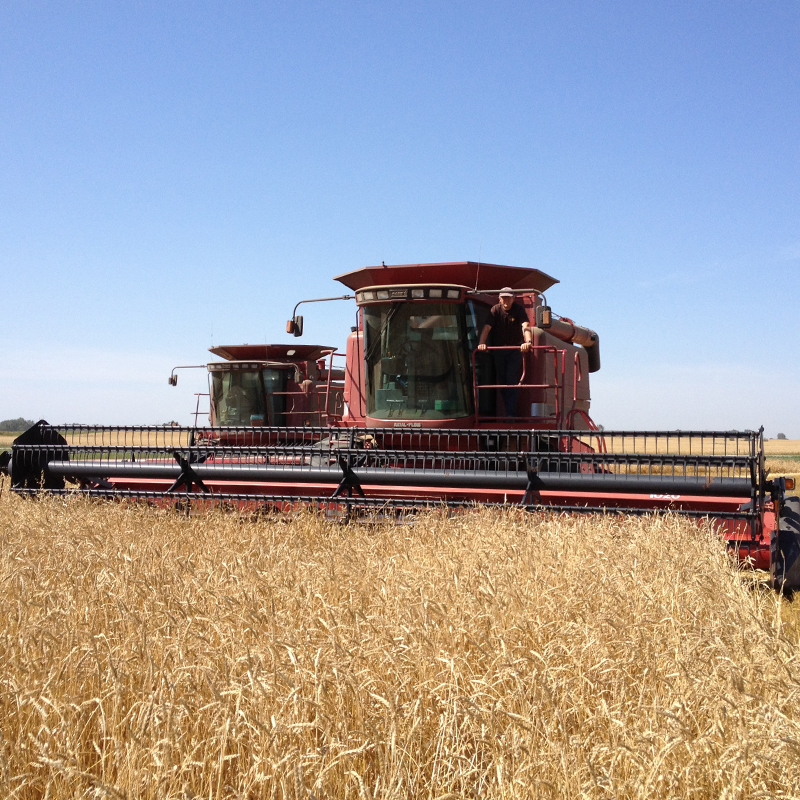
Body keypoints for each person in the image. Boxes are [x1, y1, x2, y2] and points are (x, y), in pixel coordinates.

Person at [477, 288, 532, 416]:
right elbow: (487, 328)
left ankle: (510, 415)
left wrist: (528, 342)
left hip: (514, 351)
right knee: (502, 382)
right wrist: (481, 343)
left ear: (513, 298)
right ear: (500, 299)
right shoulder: (495, 310)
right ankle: (509, 412)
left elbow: (525, 325)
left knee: (511, 380)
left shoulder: (518, 310)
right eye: (503, 298)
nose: (505, 300)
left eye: (508, 297)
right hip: (499, 351)